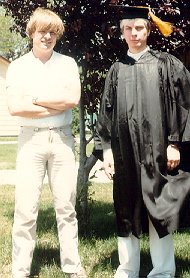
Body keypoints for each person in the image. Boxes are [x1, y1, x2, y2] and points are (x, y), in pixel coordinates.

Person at [95, 6, 190, 278]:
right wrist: (107, 151)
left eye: (139, 28)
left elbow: (181, 105)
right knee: (126, 207)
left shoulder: (165, 64)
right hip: (124, 152)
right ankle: (127, 269)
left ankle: (163, 270)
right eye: (128, 28)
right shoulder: (115, 70)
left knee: (158, 207)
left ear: (148, 30)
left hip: (158, 150)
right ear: (122, 32)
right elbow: (106, 114)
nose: (134, 33)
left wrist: (175, 143)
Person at [6, 7, 87, 278]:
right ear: (32, 33)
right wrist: (54, 103)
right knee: (26, 209)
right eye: (42, 31)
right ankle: (20, 270)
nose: (47, 37)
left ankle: (73, 268)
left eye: (53, 32)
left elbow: (71, 101)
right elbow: (15, 108)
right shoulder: (18, 67)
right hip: (31, 142)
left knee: (66, 207)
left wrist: (36, 100)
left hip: (62, 140)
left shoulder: (67, 64)